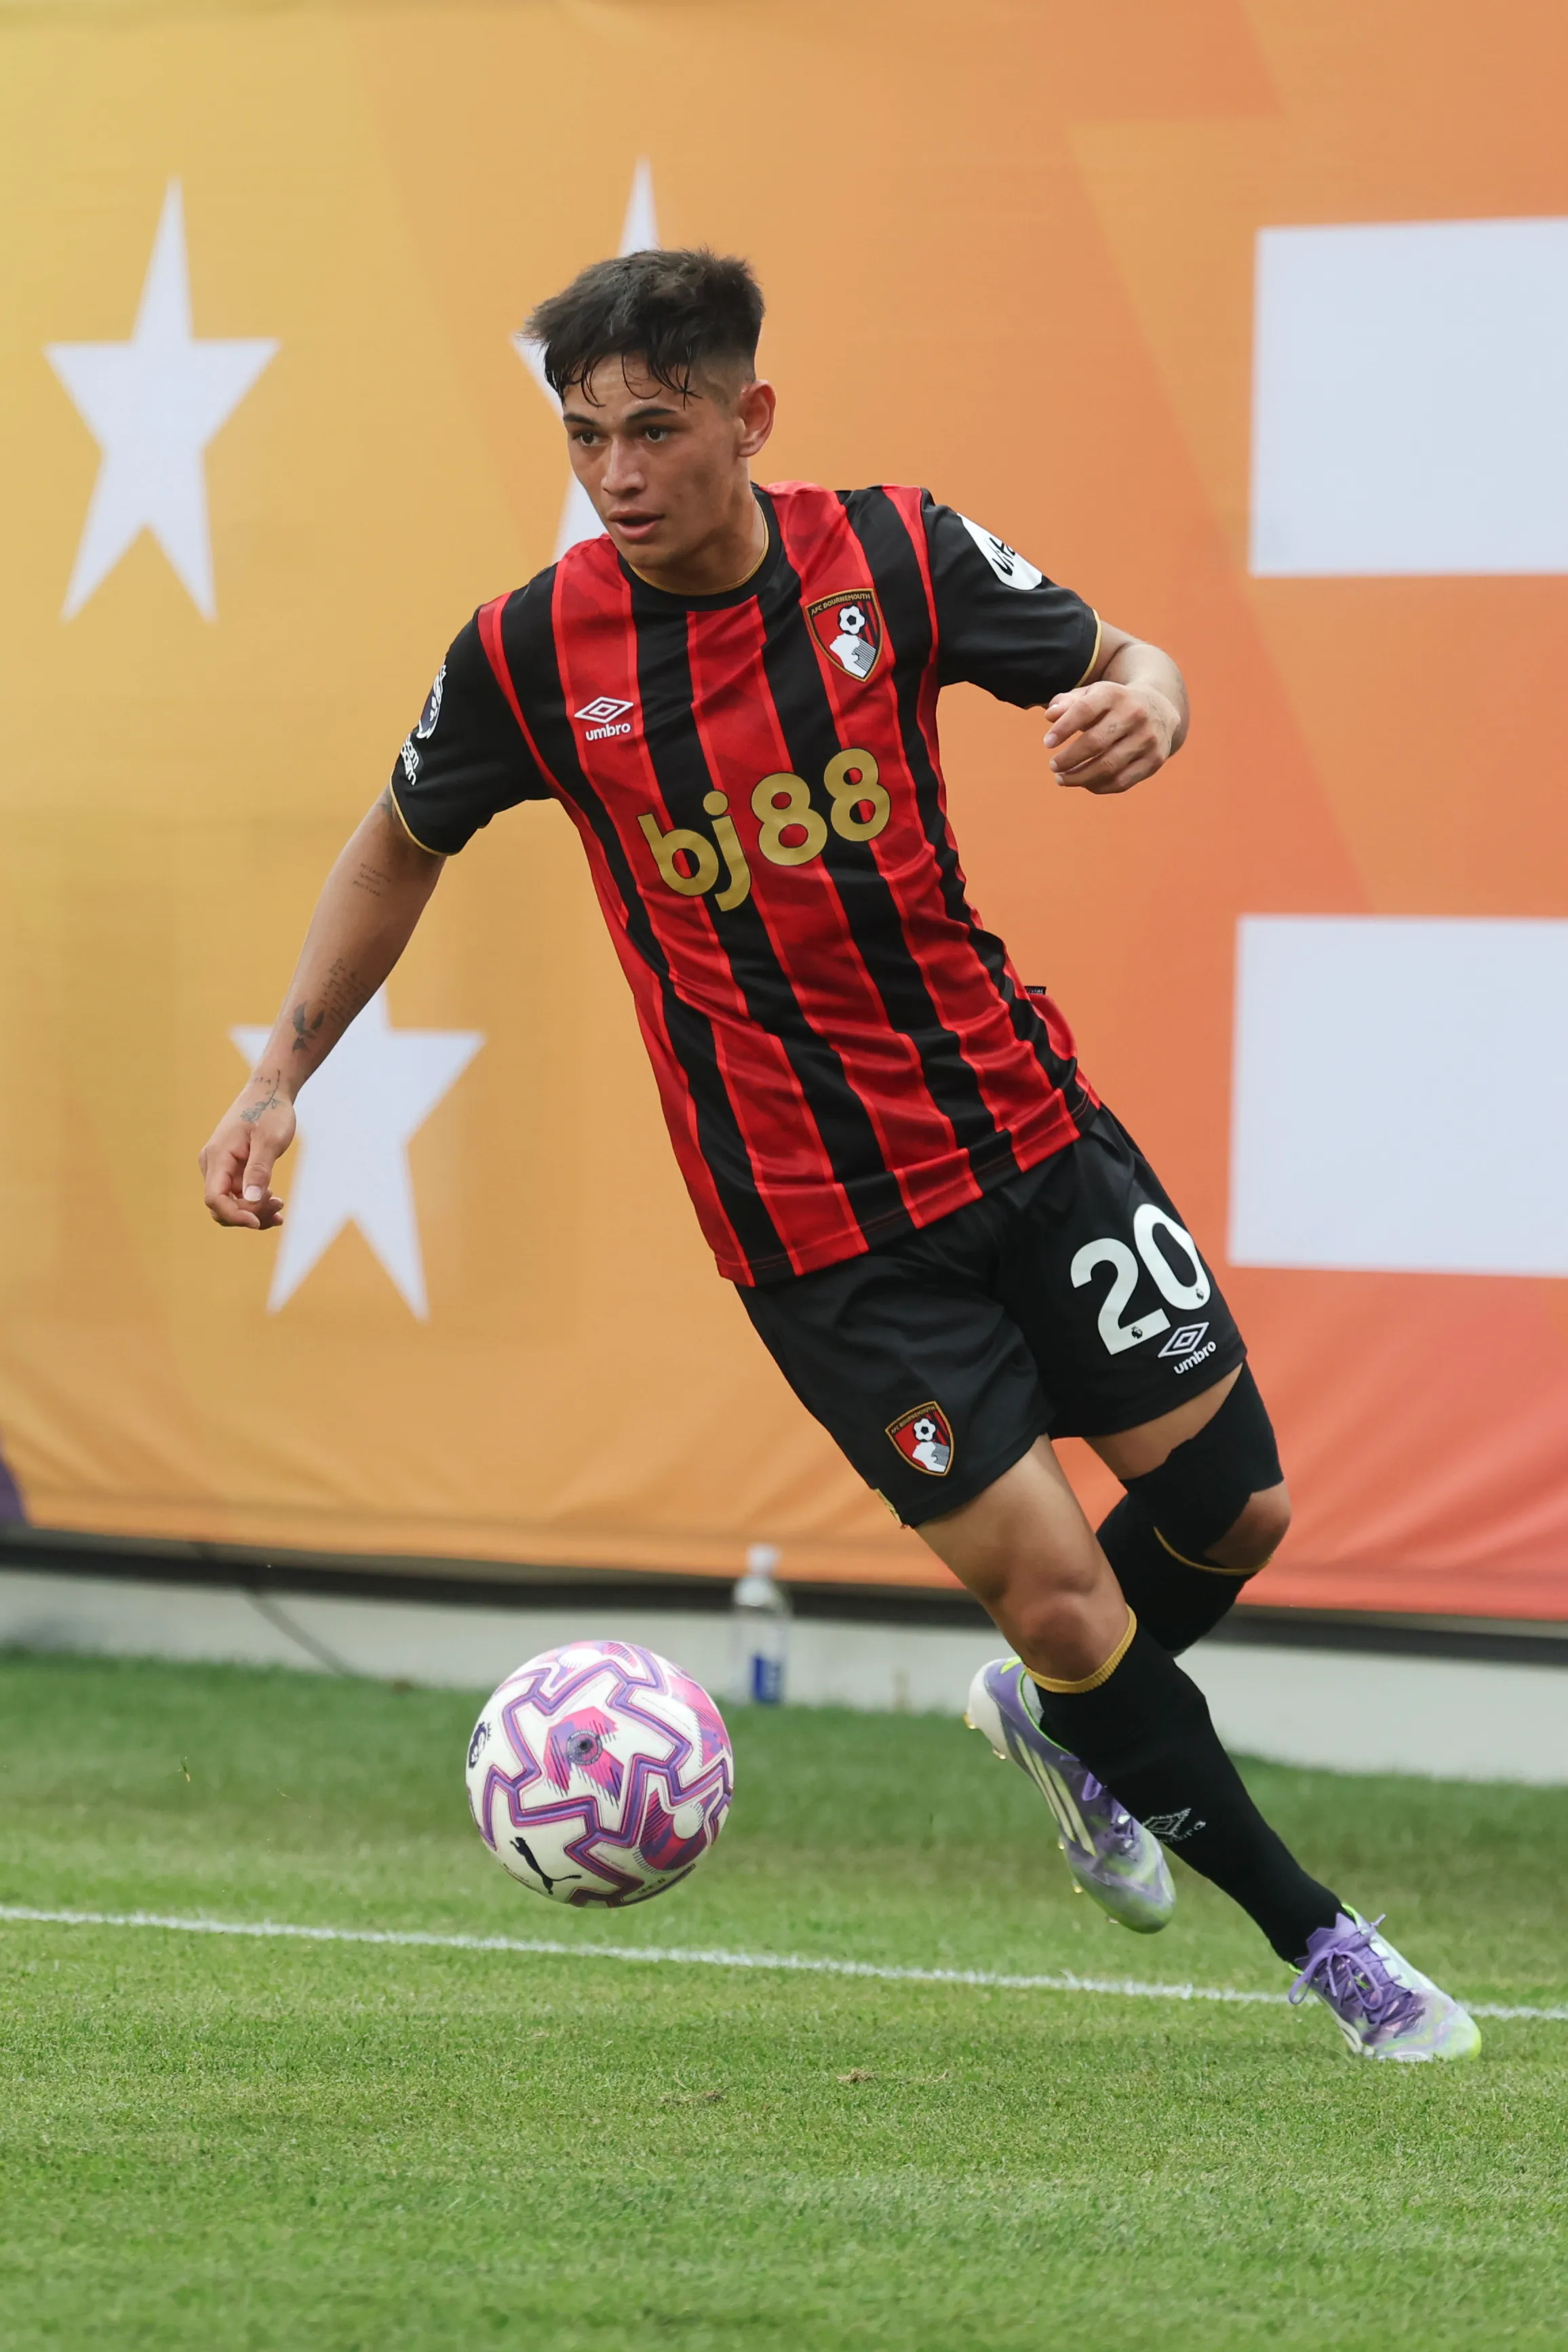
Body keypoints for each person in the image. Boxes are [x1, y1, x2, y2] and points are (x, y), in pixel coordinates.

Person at [199, 248, 1477, 2062]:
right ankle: (1330, 1948)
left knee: (1237, 1512)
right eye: (585, 437)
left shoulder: (893, 554)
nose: (619, 474)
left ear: (751, 416)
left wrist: (1154, 703)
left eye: (657, 428)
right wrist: (280, 1075)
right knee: (1064, 1594)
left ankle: (1075, 1730)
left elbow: (1129, 659)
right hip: (824, 1235)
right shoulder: (530, 652)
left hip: (1028, 1129)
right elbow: (401, 838)